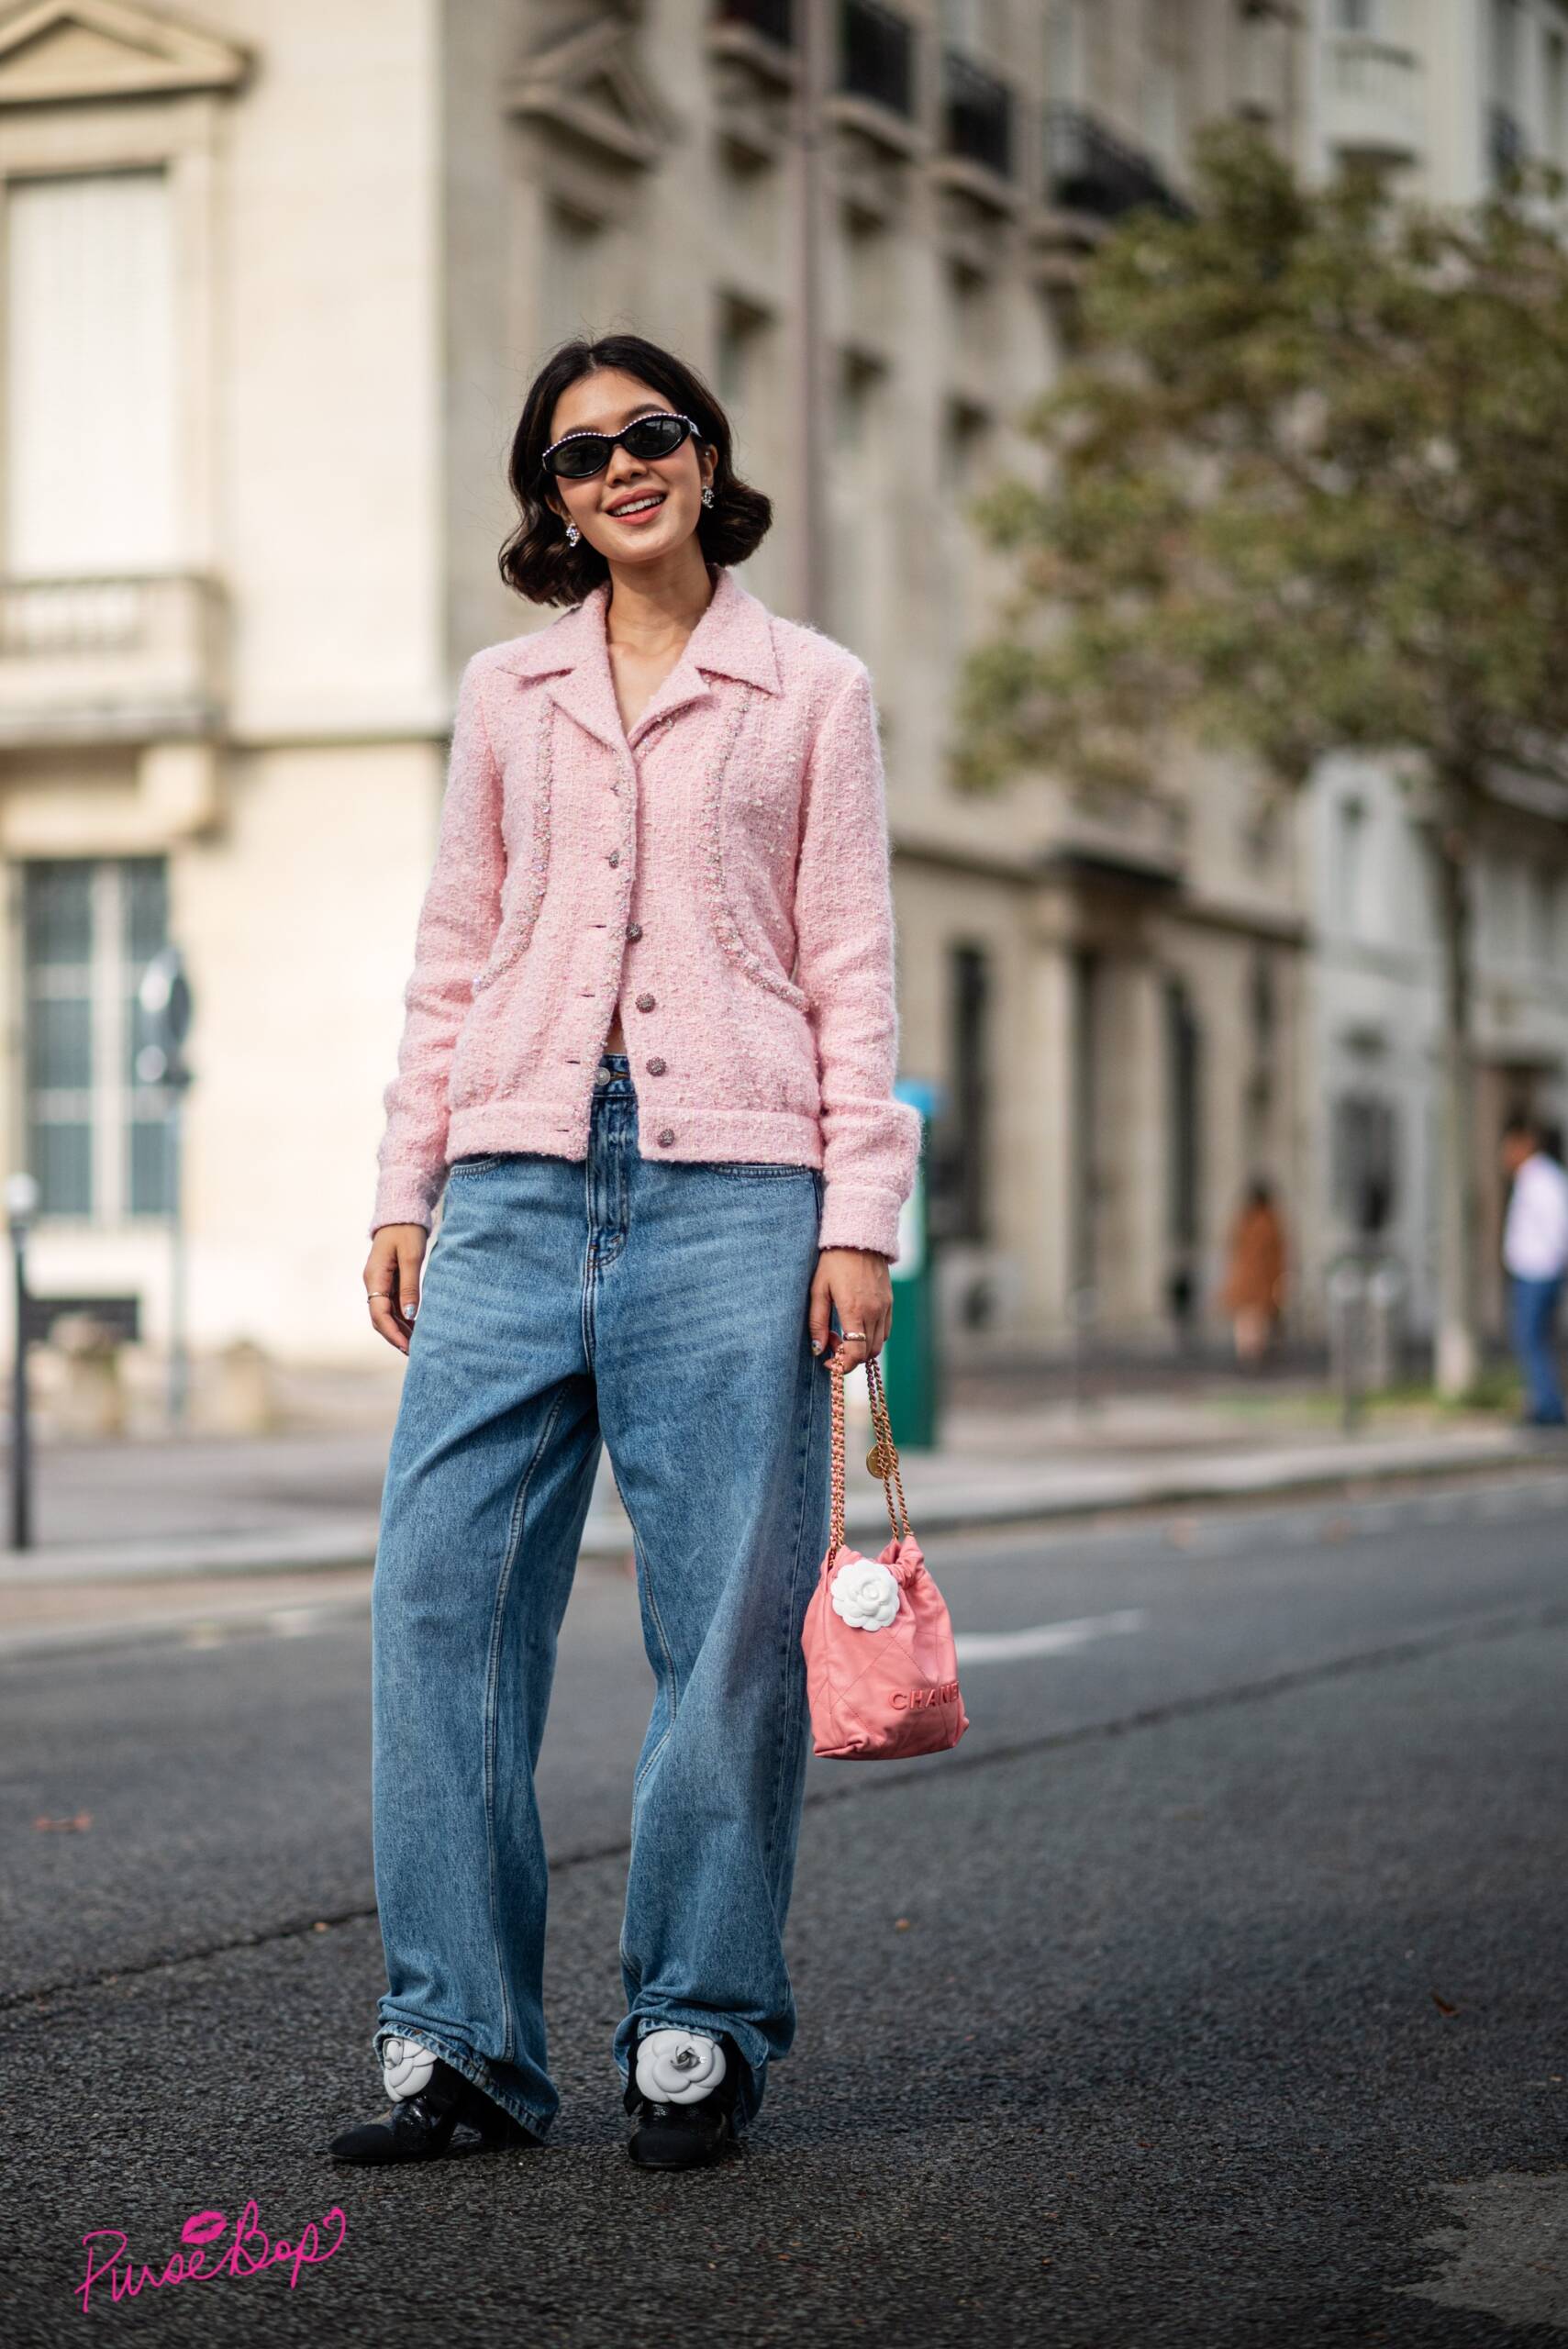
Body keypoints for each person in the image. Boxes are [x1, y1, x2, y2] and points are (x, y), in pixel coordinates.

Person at [328, 333, 920, 2174]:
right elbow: (454, 944)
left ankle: (695, 2017)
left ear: (705, 450)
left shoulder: (807, 688)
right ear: (554, 496)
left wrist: (854, 1217)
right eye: (580, 455)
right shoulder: (505, 693)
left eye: (648, 433)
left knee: (725, 1631)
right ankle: (456, 2045)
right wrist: (402, 1176)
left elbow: (849, 964)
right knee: (436, 1603)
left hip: (732, 1195)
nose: (619, 469)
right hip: (509, 1177)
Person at [1499, 1113, 1568, 1429]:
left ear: (1523, 1144)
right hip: (1536, 1272)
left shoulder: (1540, 1179)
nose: (1505, 1155)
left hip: (1540, 1272)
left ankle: (1548, 1407)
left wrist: (1555, 1263)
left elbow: (1558, 1226)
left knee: (1532, 1338)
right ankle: (1544, 1403)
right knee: (1534, 1339)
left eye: (1508, 1147)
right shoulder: (1534, 1178)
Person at [1220, 1178, 1286, 1364]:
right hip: (1260, 1282)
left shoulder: (1245, 1222)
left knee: (1247, 1319)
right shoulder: (1269, 1223)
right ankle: (1253, 1353)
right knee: (1256, 1319)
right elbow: (1277, 1255)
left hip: (1245, 1280)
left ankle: (1248, 1353)